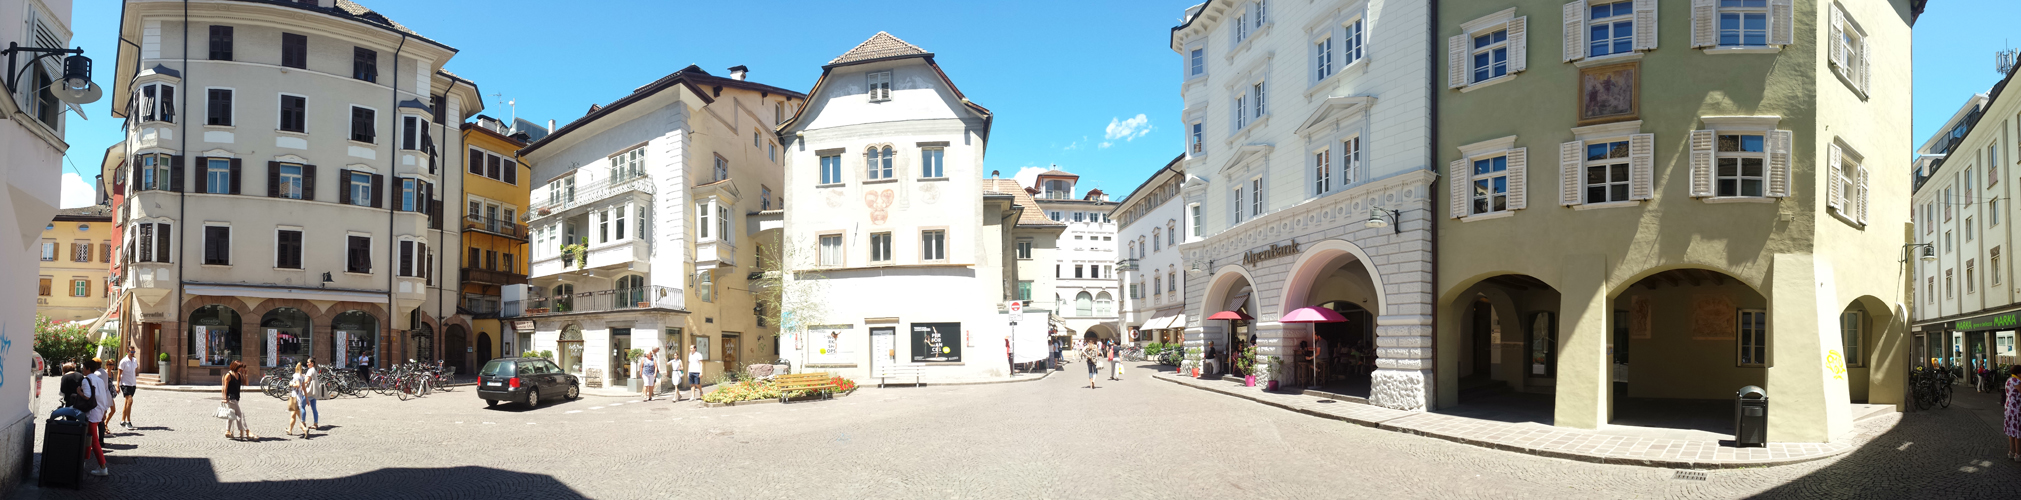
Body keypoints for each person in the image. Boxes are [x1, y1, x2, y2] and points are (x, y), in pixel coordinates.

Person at [83, 359, 111, 476]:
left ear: (88, 369)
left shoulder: (86, 380)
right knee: (89, 438)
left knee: (94, 441)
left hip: (91, 414)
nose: (82, 369)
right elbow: (104, 396)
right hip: (99, 411)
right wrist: (104, 411)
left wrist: (79, 392)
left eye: (84, 367)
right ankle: (85, 460)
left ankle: (103, 466)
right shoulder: (99, 380)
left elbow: (87, 396)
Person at [221, 361, 254, 440]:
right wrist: (225, 398)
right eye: (240, 367)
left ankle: (228, 431)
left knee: (231, 415)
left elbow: (246, 384)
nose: (241, 369)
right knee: (239, 414)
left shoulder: (239, 375)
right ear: (235, 367)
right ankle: (244, 431)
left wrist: (245, 374)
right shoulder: (229, 375)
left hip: (237, 397)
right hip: (231, 398)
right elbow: (225, 388)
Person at [118, 348, 139, 429]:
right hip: (125, 384)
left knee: (127, 402)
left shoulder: (134, 360)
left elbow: (134, 371)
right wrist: (118, 386)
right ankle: (128, 421)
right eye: (131, 351)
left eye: (134, 351)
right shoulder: (123, 361)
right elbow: (119, 374)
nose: (133, 353)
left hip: (132, 384)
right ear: (127, 351)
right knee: (130, 401)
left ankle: (122, 420)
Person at [286, 363, 309, 438]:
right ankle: (290, 429)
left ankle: (304, 428)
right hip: (299, 397)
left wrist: (291, 384)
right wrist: (307, 399)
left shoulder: (295, 375)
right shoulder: (302, 376)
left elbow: (297, 385)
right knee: (294, 415)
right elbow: (304, 389)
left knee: (296, 416)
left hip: (294, 397)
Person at [2005, 364, 2021, 462]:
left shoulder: (2009, 380)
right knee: (2018, 431)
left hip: (2009, 408)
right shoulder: (2017, 381)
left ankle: (2011, 452)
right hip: (2016, 408)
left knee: (2011, 430)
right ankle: (2018, 454)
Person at [302, 359, 323, 431]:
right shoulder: (314, 370)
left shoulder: (310, 370)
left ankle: (303, 422)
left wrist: (301, 384)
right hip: (314, 392)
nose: (307, 363)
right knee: (314, 408)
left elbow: (307, 380)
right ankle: (315, 424)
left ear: (312, 363)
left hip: (309, 392)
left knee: (302, 406)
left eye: (308, 362)